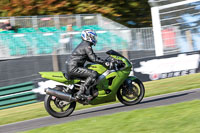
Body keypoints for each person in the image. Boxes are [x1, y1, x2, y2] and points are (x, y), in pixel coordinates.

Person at [66, 29, 110, 99]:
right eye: (93, 36)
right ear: (88, 36)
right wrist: (105, 63)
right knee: (93, 74)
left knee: (90, 72)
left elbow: (89, 58)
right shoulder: (87, 45)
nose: (94, 38)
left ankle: (87, 92)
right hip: (74, 68)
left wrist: (101, 61)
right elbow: (93, 58)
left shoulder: (84, 44)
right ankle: (80, 93)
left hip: (72, 67)